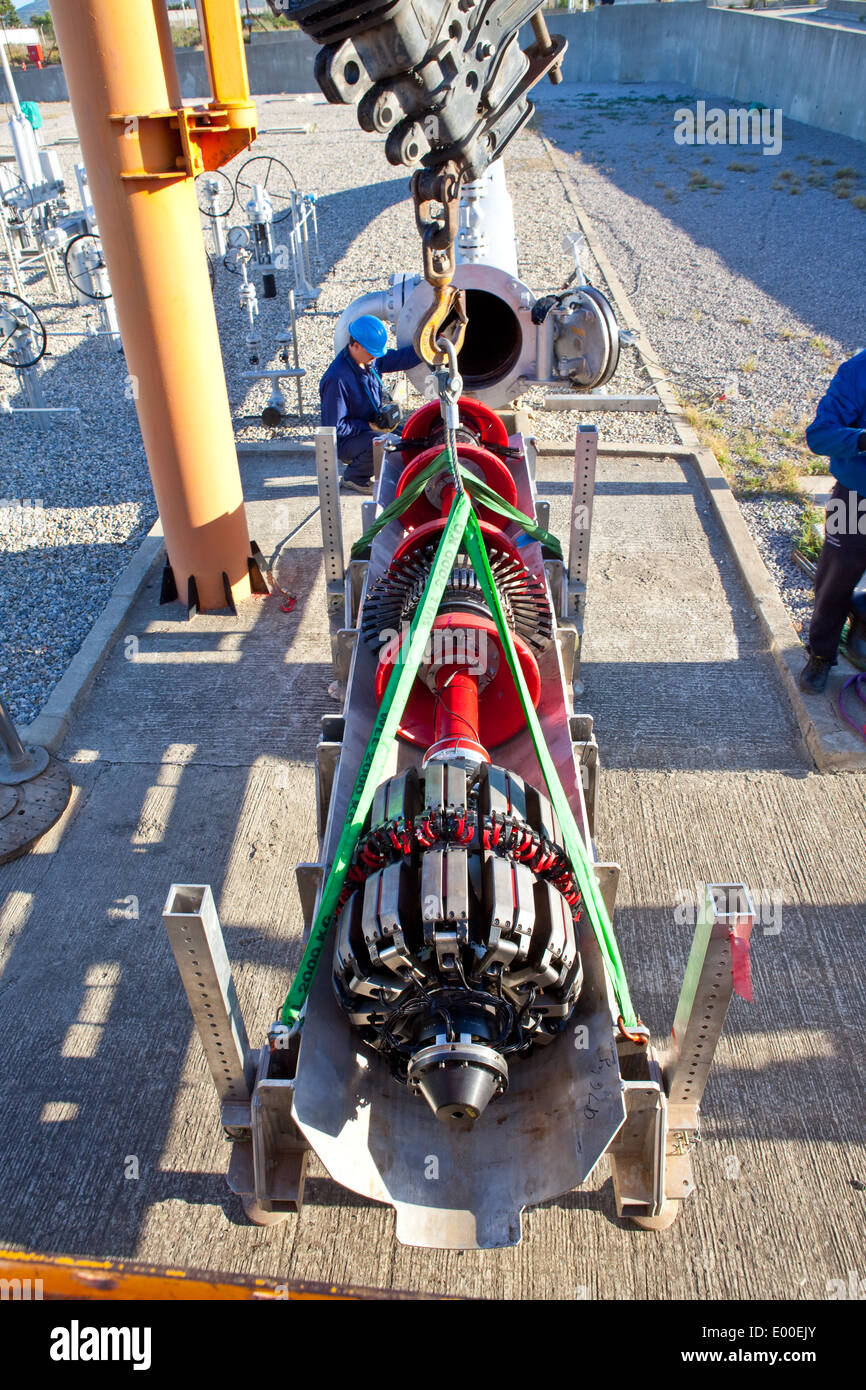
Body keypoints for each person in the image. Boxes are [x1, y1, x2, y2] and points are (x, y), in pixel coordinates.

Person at [799, 348, 866, 694]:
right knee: (835, 581)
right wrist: (861, 439)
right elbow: (819, 435)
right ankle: (821, 655)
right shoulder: (858, 371)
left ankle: (862, 619)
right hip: (856, 497)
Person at [319, 314, 420, 495]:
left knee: (410, 437)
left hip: (368, 426)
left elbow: (401, 358)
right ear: (355, 345)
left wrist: (432, 344)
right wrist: (368, 425)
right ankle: (355, 478)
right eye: (373, 352)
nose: (376, 356)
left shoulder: (369, 359)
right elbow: (334, 428)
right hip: (347, 441)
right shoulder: (337, 379)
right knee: (387, 444)